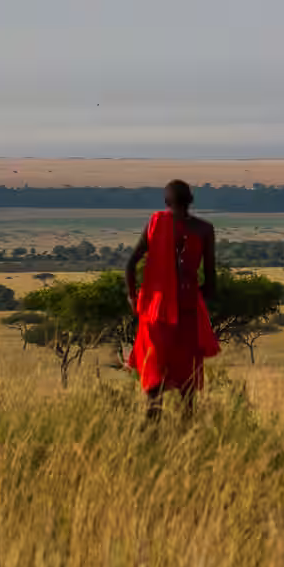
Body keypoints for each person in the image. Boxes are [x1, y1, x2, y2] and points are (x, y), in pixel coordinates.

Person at [123, 179, 219, 420]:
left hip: (156, 309)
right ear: (191, 201)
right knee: (187, 368)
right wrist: (197, 300)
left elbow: (130, 264)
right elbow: (211, 278)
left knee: (155, 364)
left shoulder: (156, 224)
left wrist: (133, 297)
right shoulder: (205, 229)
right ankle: (188, 423)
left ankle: (151, 422)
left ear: (166, 202)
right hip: (187, 307)